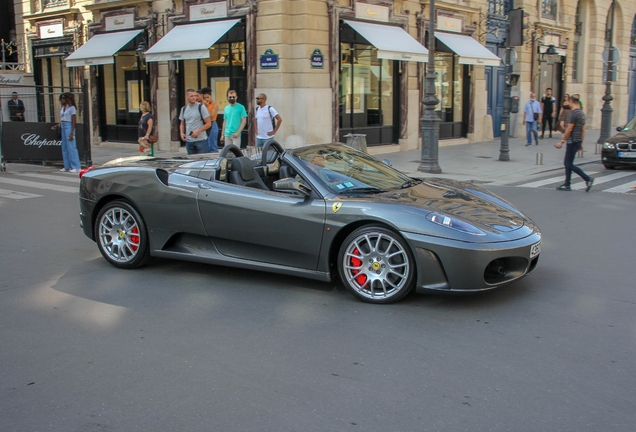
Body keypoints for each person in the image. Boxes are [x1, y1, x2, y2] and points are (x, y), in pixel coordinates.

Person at [555, 94, 593, 192]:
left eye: (569, 101)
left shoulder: (573, 114)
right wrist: (581, 143)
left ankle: (587, 178)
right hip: (577, 140)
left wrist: (562, 141)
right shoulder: (582, 114)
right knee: (568, 163)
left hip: (572, 141)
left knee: (568, 164)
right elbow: (583, 130)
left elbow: (569, 128)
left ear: (572, 101)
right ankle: (567, 184)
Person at [51, 93, 81, 173]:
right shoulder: (63, 107)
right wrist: (58, 125)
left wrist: (72, 132)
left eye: (64, 99)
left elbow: (73, 120)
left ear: (68, 99)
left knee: (71, 147)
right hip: (63, 125)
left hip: (69, 126)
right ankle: (66, 166)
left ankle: (76, 166)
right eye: (61, 99)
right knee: (64, 147)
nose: (62, 100)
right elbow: (63, 118)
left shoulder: (72, 108)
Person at [179, 88, 211, 154]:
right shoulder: (184, 109)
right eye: (191, 96)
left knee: (202, 161)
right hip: (189, 140)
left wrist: (198, 131)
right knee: (192, 162)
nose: (194, 98)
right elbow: (182, 123)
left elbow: (208, 123)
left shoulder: (201, 107)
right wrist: (181, 133)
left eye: (195, 96)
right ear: (186, 97)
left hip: (201, 140)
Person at [200, 87, 219, 152]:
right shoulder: (201, 105)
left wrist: (207, 107)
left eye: (207, 97)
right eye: (204, 98)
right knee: (205, 144)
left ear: (211, 96)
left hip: (212, 123)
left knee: (212, 144)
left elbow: (211, 116)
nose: (206, 99)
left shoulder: (214, 104)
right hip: (204, 124)